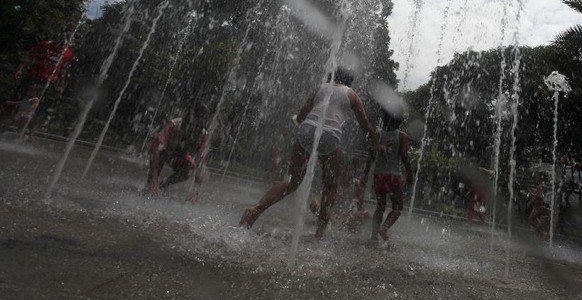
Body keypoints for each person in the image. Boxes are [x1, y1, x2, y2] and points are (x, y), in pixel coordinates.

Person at [239, 67, 377, 239]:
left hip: (306, 129)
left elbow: (300, 117)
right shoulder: (351, 94)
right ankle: (319, 234)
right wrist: (374, 142)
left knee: (292, 182)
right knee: (330, 187)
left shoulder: (320, 88)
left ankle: (254, 210)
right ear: (349, 81)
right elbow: (365, 125)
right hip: (330, 134)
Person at [357, 108, 412, 244]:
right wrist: (409, 174)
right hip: (393, 176)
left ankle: (374, 236)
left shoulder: (377, 134)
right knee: (397, 207)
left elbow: (371, 155)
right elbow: (405, 158)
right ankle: (384, 228)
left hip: (379, 176)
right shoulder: (402, 136)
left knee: (380, 206)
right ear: (400, 120)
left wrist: (365, 173)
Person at [143, 103, 211, 202]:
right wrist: (153, 178)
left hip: (179, 155)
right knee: (158, 155)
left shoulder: (203, 135)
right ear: (192, 116)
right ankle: (150, 186)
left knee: (189, 168)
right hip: (162, 151)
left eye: (205, 118)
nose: (201, 121)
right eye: (199, 117)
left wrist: (195, 191)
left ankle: (163, 185)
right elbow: (156, 148)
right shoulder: (174, 125)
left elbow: (201, 163)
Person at [527, 171, 547, 241]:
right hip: (538, 206)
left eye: (537, 177)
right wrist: (531, 202)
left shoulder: (540, 186)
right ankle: (539, 235)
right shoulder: (541, 185)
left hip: (538, 207)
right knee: (534, 220)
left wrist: (532, 193)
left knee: (530, 220)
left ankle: (542, 233)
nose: (536, 179)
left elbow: (539, 196)